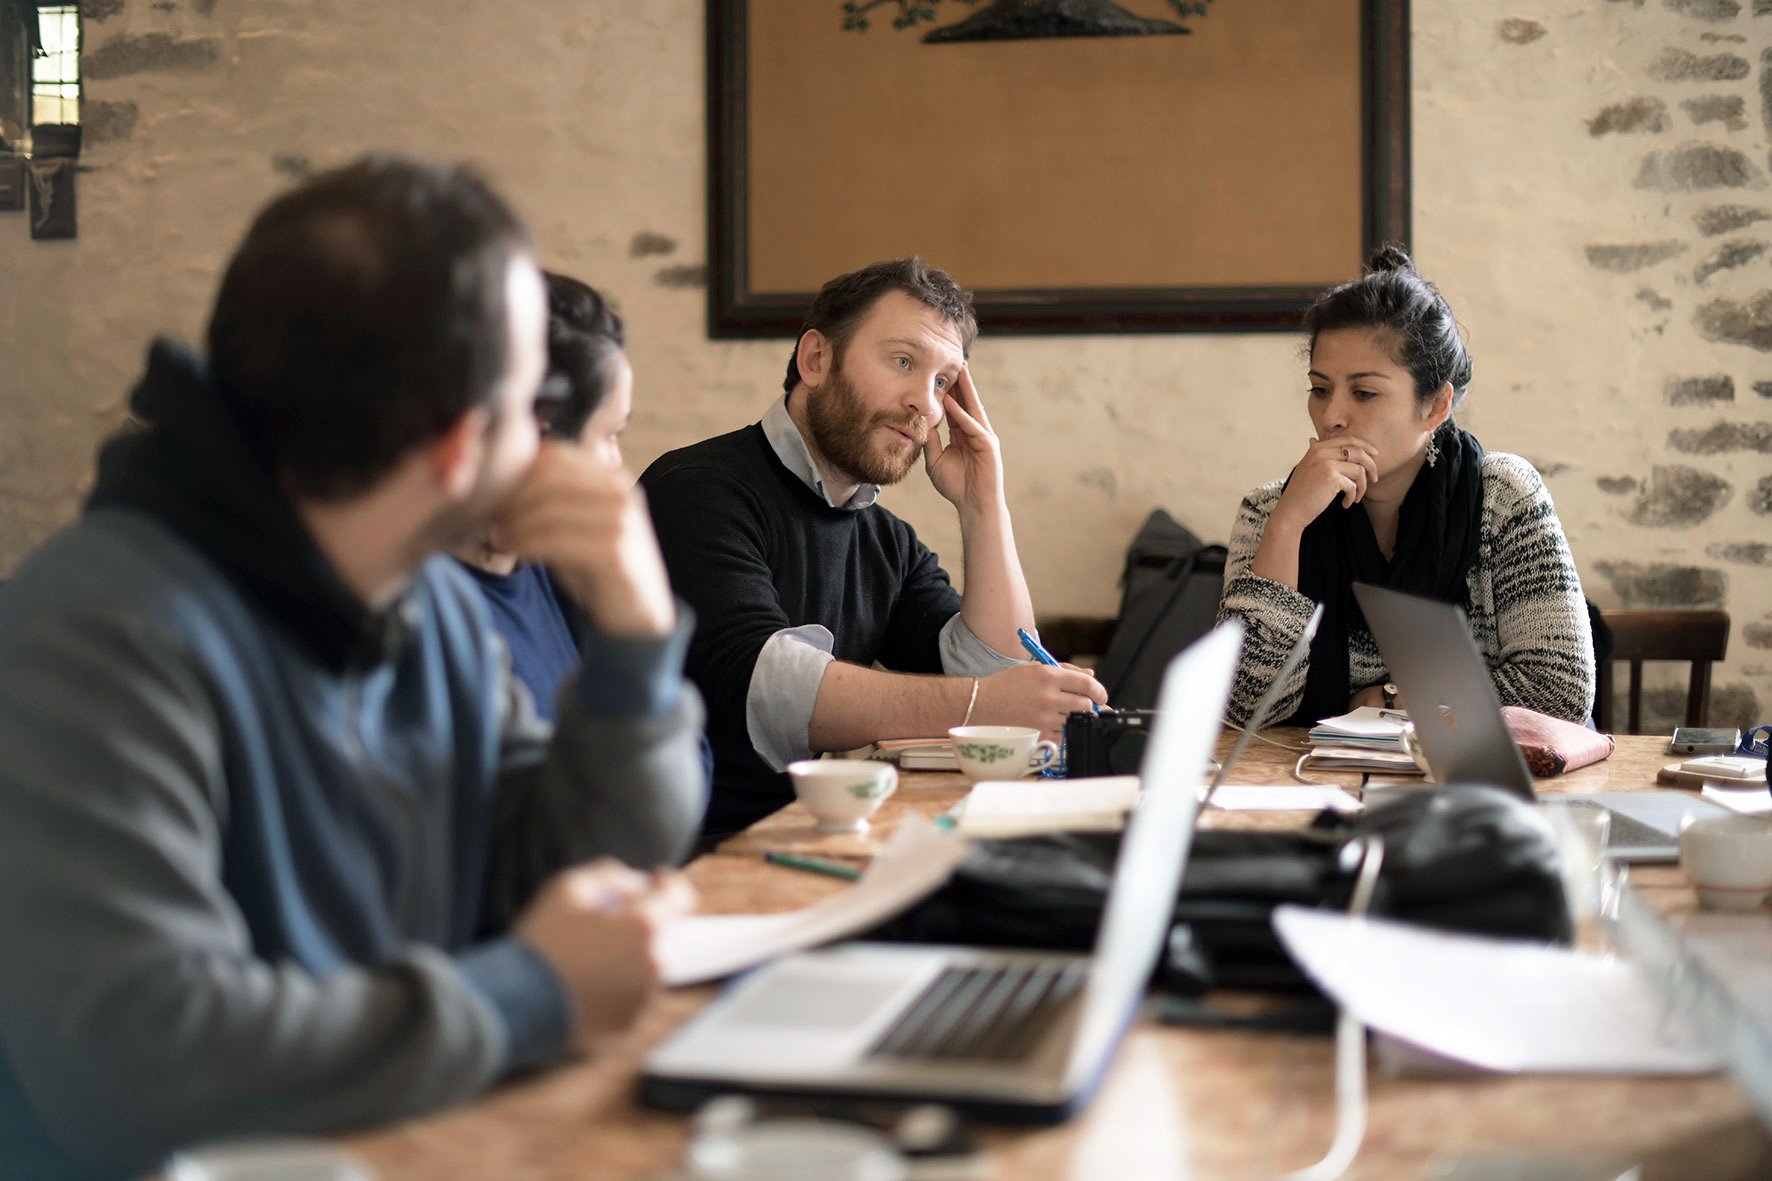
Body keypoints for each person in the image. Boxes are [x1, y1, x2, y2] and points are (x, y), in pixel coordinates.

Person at [0, 155, 707, 1180]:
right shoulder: (99, 632)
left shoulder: (429, 610)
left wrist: (637, 647)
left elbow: (565, 871)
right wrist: (529, 995)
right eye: (531, 406)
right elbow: (141, 1059)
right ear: (462, 445)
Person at [641, 257, 1107, 837]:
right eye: (904, 361)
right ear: (816, 360)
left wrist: (984, 506)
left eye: (942, 381)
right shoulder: (697, 488)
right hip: (696, 863)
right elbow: (764, 685)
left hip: (823, 840)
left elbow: (1001, 674)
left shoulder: (886, 541)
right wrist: (980, 707)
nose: (927, 405)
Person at [1217, 246, 1594, 730]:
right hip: (1311, 785)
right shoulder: (1267, 510)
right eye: (1320, 388)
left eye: (1365, 393)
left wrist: (1387, 698)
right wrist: (1287, 526)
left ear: (1436, 407)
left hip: (1473, 789)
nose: (1332, 415)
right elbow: (1242, 710)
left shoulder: (1502, 497)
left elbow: (1557, 694)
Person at [453, 271, 637, 722]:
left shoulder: (555, 569)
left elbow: (691, 765)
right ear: (536, 437)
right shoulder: (432, 612)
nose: (617, 466)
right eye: (610, 435)